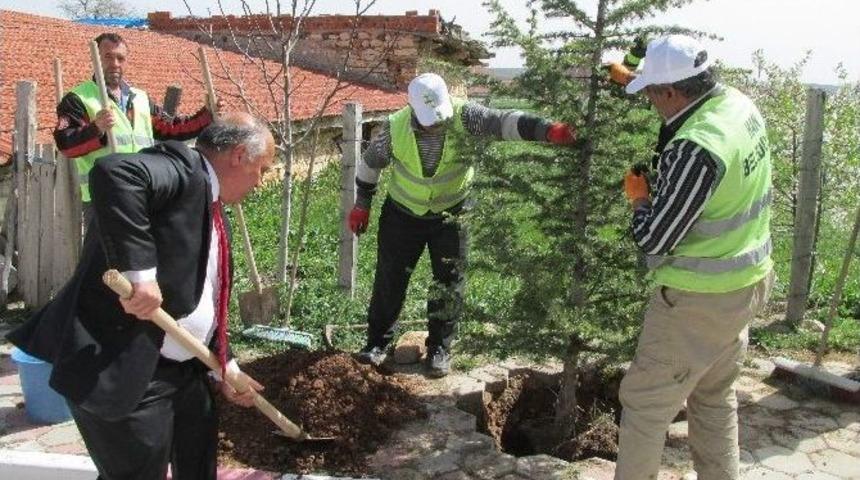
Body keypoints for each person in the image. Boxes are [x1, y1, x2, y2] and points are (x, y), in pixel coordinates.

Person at [7, 112, 275, 480]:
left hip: (185, 372)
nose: (261, 182)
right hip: (125, 369)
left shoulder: (214, 212)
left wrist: (223, 364)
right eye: (263, 169)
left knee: (198, 468)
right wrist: (140, 274)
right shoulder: (182, 171)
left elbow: (204, 295)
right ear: (240, 155)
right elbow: (116, 173)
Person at [616, 35, 774, 480]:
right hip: (747, 281)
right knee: (712, 396)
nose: (648, 102)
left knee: (646, 407)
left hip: (699, 299)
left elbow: (654, 239)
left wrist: (641, 199)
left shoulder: (698, 147)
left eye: (650, 93)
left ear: (671, 91)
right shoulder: (738, 106)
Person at [349, 72, 577, 377]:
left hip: (452, 214)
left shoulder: (465, 117)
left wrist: (547, 130)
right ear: (412, 107)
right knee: (390, 279)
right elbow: (369, 165)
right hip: (403, 215)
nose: (437, 121)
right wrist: (362, 205)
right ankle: (377, 343)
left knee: (448, 281)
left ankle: (440, 348)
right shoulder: (394, 129)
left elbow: (504, 122)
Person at [54, 32, 218, 213]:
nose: (115, 64)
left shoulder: (140, 98)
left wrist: (207, 115)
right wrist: (96, 129)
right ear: (95, 59)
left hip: (144, 193)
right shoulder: (77, 99)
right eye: (108, 57)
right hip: (105, 197)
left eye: (120, 58)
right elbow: (65, 144)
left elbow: (171, 128)